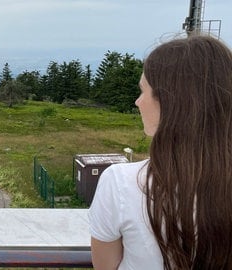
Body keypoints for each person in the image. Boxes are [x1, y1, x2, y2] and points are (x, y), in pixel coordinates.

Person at [88, 34, 232, 270]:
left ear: (171, 104)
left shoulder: (120, 183)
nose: (137, 101)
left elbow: (105, 266)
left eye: (143, 91)